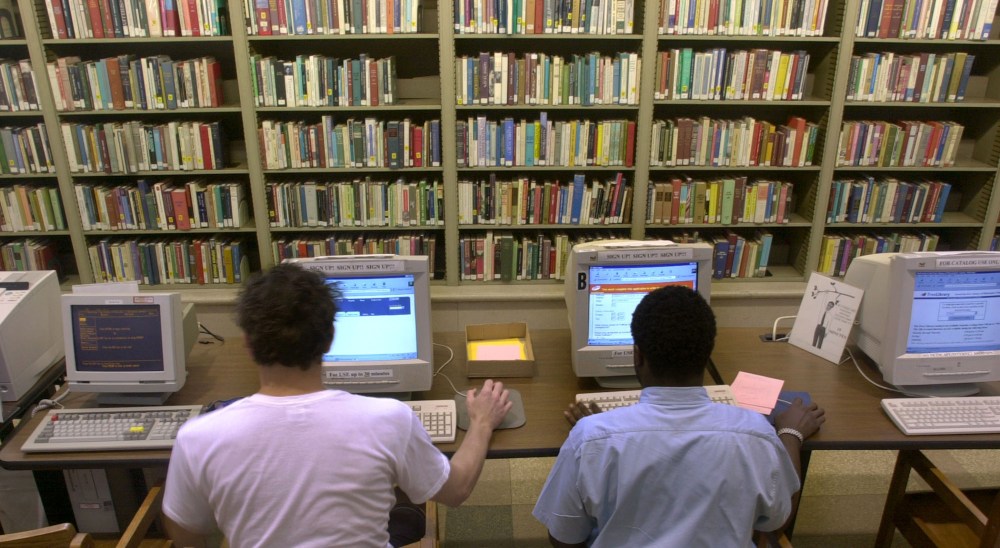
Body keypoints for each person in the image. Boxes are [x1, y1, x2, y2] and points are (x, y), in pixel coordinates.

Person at [162, 263, 512, 548]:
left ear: (247, 344)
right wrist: (482, 422)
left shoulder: (198, 438)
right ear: (330, 337)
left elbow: (186, 533)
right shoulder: (390, 419)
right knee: (408, 515)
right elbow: (456, 490)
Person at [533, 285, 825, 547]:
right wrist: (790, 436)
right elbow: (776, 522)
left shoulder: (590, 437)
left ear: (637, 355)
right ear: (708, 353)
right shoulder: (756, 434)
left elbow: (564, 538)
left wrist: (597, 434)